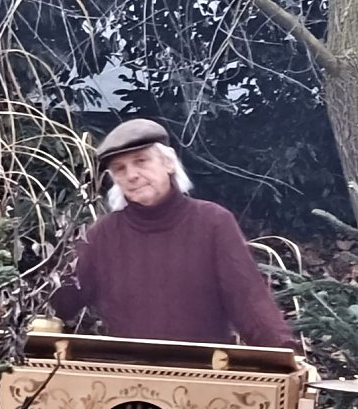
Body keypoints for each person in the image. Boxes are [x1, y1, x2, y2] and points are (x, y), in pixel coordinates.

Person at [51, 118, 297, 350]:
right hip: (126, 379)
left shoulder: (213, 223)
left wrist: (287, 357)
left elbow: (250, 303)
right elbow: (58, 302)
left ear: (168, 163)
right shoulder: (103, 235)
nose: (132, 175)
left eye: (141, 161)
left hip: (205, 376)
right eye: (120, 169)